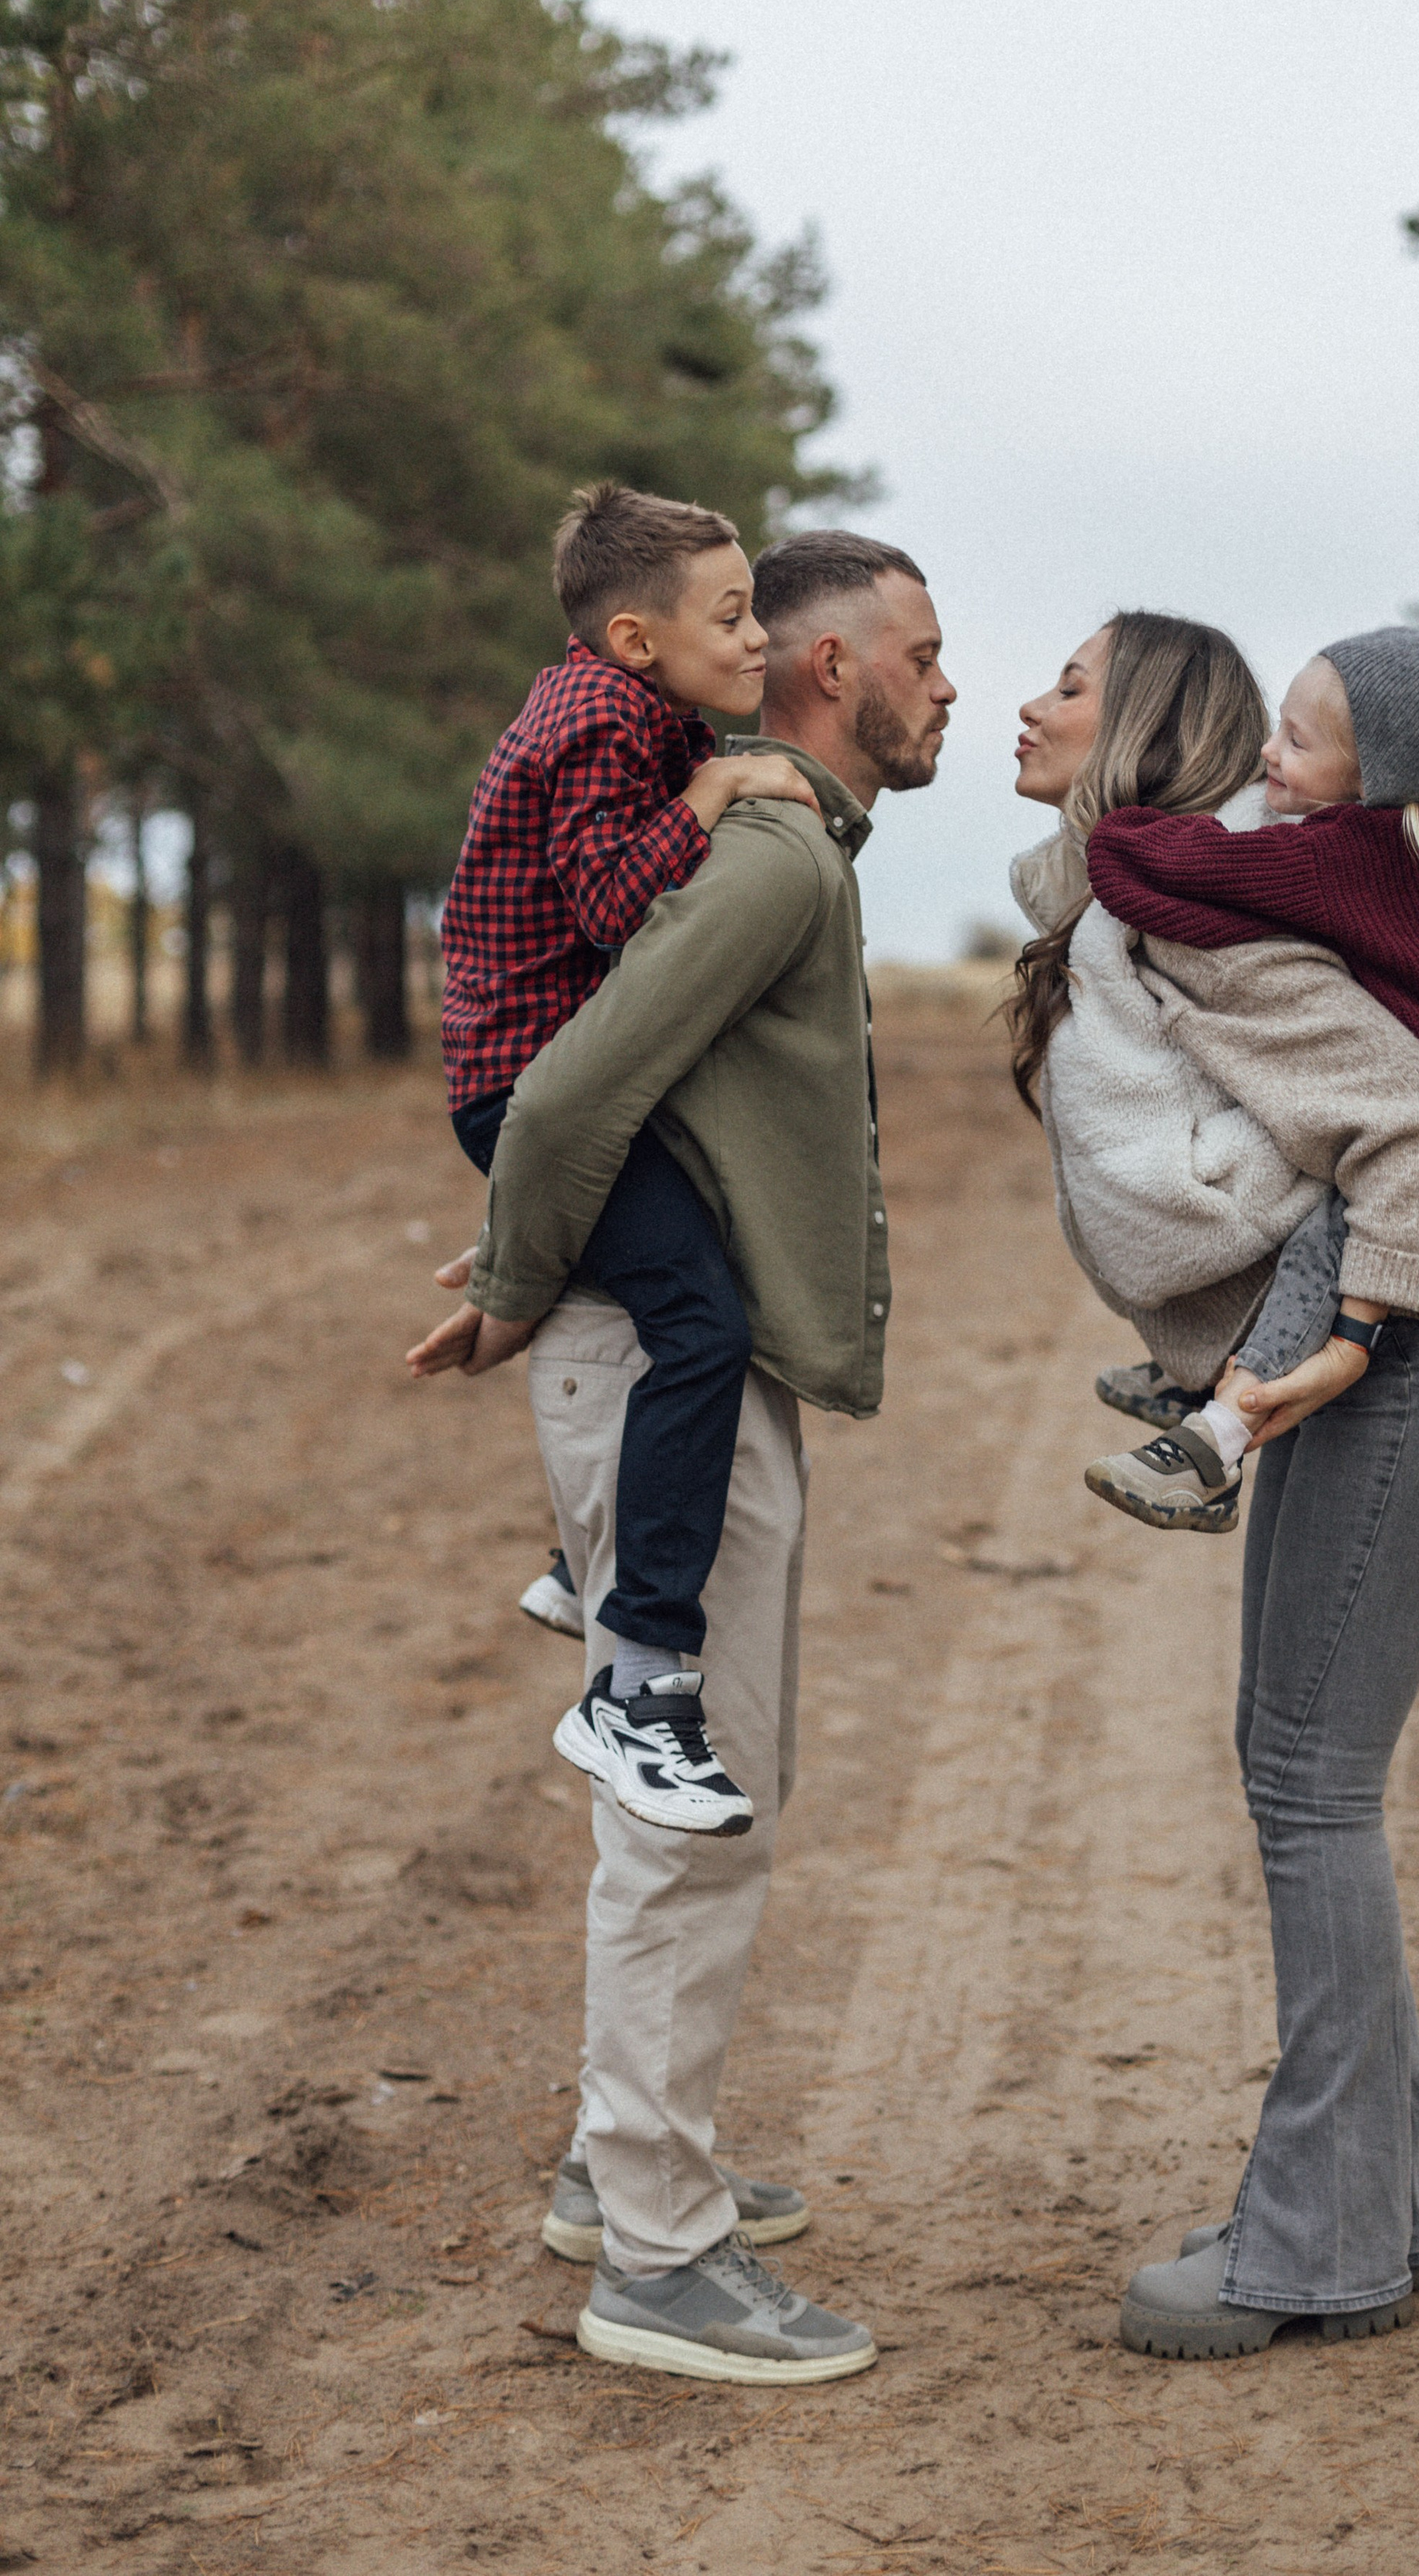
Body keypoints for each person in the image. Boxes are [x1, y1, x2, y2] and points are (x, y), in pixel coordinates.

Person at [410, 529, 954, 2387]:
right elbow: (558, 1091)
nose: (947, 683)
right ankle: (654, 2247)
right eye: (921, 652)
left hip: (652, 1353)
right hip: (654, 1365)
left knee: (690, 1788)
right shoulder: (771, 847)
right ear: (823, 671)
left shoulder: (777, 832)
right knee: (691, 1794)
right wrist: (512, 1271)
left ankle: (611, 2166)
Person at [1008, 609, 1419, 2359]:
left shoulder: (1222, 934)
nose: (1028, 698)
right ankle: (1389, 2198)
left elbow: (1415, 1120)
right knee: (1299, 1776)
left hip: (1392, 1367)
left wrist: (1348, 1326)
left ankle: (1314, 2245)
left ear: (1138, 716)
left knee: (1307, 1791)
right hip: (1370, 1375)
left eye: (1068, 682)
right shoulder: (1151, 910)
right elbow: (1062, 891)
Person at [440, 482, 821, 1833]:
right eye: (730, 619)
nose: (757, 640)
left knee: (691, 1254)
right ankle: (639, 1679)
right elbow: (611, 904)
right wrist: (717, 786)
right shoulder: (608, 724)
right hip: (539, 1092)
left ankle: (574, 1559)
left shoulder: (620, 706)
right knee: (700, 1325)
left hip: (556, 1085)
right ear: (635, 637)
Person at [1075, 629, 1419, 1530]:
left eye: (1295, 741)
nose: (1266, 755)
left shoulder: (1343, 854)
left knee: (1328, 1231)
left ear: (1371, 775)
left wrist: (1119, 815)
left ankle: (1215, 1440)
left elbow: (1154, 869)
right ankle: (1198, 1377)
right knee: (1301, 1191)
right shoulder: (1397, 844)